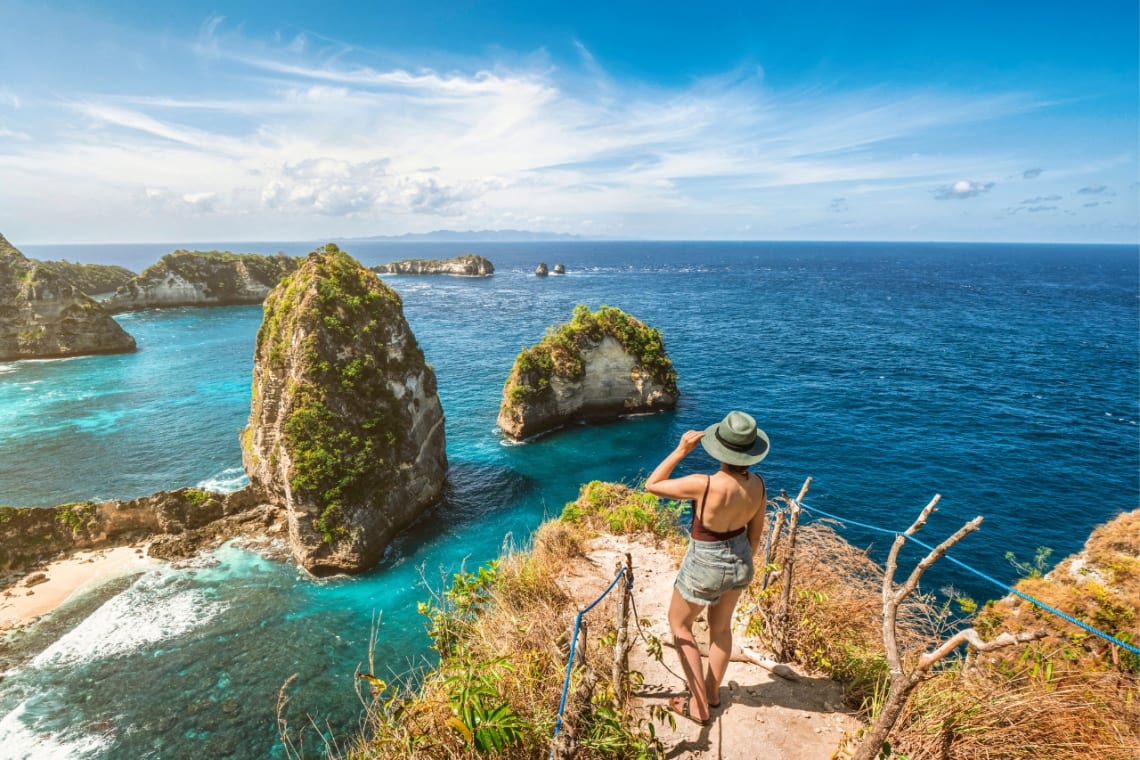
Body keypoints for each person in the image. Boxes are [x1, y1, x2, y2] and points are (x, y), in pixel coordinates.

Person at [645, 410, 769, 725]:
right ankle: (712, 693)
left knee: (680, 625)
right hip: (741, 559)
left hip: (705, 562)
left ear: (720, 448)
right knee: (721, 629)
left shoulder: (705, 484)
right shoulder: (758, 485)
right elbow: (755, 534)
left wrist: (681, 450)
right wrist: (741, 565)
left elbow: (653, 484)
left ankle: (698, 706)